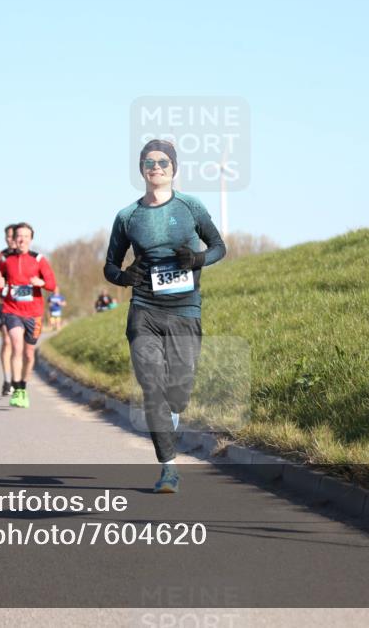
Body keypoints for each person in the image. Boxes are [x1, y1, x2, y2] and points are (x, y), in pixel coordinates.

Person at [104, 139, 226, 493]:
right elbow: (110, 266)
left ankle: (172, 418)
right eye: (149, 162)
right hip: (144, 310)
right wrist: (124, 277)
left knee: (178, 393)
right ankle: (168, 469)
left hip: (185, 310)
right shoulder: (127, 216)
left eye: (163, 161)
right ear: (141, 168)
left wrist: (198, 259)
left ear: (174, 168)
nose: (156, 167)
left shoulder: (191, 206)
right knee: (152, 389)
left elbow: (219, 246)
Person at [0, 222, 56, 408]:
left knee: (29, 354)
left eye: (25, 236)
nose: (21, 239)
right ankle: (16, 389)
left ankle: (23, 387)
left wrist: (40, 282)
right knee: (16, 345)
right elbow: (0, 283)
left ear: (31, 239)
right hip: (12, 309)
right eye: (18, 236)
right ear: (14, 239)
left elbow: (52, 284)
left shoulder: (39, 260)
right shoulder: (5, 260)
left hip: (34, 312)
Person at [0, 225, 18, 395]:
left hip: (21, 304)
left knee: (19, 344)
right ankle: (7, 381)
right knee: (7, 340)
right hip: (3, 302)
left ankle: (18, 380)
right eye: (7, 236)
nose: (10, 239)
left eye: (12, 236)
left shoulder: (27, 256)